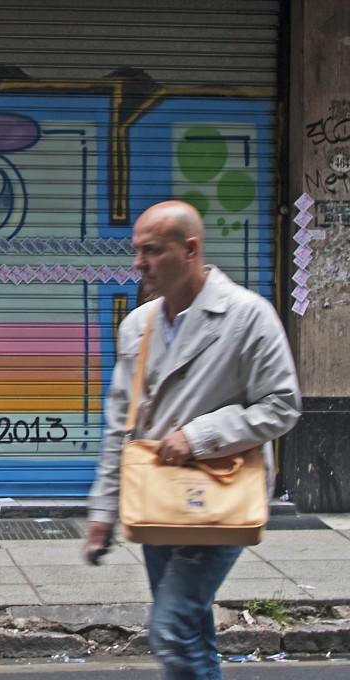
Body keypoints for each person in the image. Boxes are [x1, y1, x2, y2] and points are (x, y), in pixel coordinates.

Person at [82, 200, 301, 679]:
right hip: (157, 499)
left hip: (220, 498)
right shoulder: (137, 326)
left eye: (151, 251)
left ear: (190, 249)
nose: (138, 263)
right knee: (192, 627)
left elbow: (282, 404)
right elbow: (120, 426)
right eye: (137, 251)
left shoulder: (248, 317)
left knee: (172, 626)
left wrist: (198, 436)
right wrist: (103, 512)